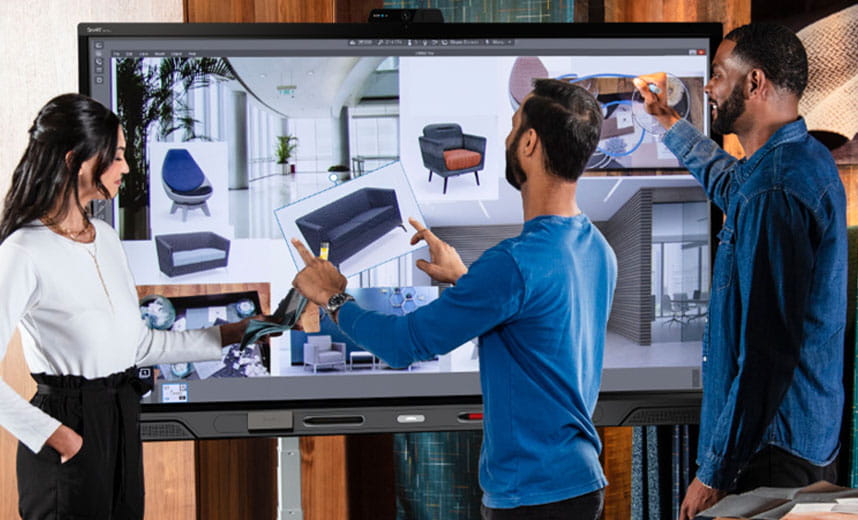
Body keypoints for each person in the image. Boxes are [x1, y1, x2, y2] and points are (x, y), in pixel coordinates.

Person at [292, 78, 617, 519]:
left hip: (531, 496)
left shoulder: (514, 264)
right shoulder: (599, 249)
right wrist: (466, 278)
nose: (504, 137)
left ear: (529, 143)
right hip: (578, 484)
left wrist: (333, 297)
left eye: (513, 125)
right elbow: (539, 329)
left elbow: (403, 343)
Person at [0, 93, 255, 520]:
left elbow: (137, 345)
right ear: (76, 160)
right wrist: (58, 437)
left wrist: (230, 334)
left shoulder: (105, 237)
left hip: (120, 419)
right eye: (117, 156)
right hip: (70, 430)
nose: (127, 168)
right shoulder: (23, 252)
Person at [633, 23, 846, 520]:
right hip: (796, 439)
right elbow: (733, 185)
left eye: (716, 76)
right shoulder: (796, 160)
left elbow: (767, 353)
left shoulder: (774, 189)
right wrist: (668, 122)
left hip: (770, 451)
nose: (708, 87)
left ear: (754, 83)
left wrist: (713, 473)